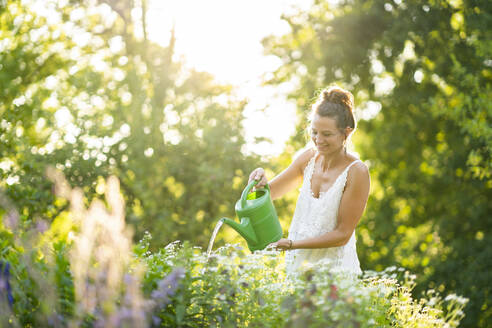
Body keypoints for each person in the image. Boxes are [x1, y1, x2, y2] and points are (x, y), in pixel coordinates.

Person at [248, 86, 370, 275]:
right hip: (298, 269)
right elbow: (268, 194)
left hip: (333, 274)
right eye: (314, 132)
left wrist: (292, 244)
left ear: (347, 133)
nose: (318, 140)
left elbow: (342, 235)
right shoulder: (308, 159)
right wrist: (260, 180)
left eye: (327, 134)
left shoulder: (357, 172)